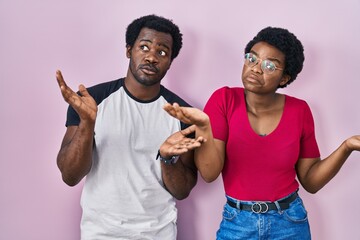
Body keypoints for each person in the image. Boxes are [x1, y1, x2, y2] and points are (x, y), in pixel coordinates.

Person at [163, 26, 360, 239]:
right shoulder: (224, 100)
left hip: (290, 222)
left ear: (284, 78)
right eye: (252, 58)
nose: (256, 69)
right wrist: (204, 127)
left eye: (269, 65)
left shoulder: (299, 110)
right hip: (237, 222)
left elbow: (311, 182)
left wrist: (347, 146)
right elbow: (210, 174)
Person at [55, 14, 204, 240]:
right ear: (128, 50)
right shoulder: (91, 101)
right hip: (100, 233)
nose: (152, 57)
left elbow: (182, 191)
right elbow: (70, 176)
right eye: (144, 47)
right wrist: (87, 123)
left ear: (170, 62)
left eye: (162, 52)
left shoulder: (183, 113)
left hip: (158, 233)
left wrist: (166, 158)